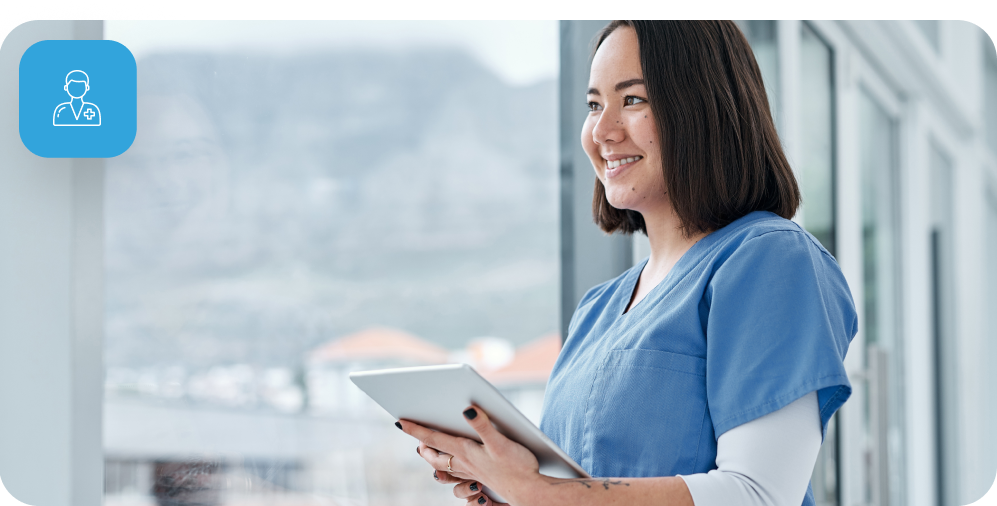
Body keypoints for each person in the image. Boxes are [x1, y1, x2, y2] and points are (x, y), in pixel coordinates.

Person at [398, 20, 856, 506]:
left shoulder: (769, 260)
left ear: (704, 109)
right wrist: (511, 491)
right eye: (594, 105)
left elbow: (758, 493)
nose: (602, 130)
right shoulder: (598, 308)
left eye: (632, 100)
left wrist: (539, 492)